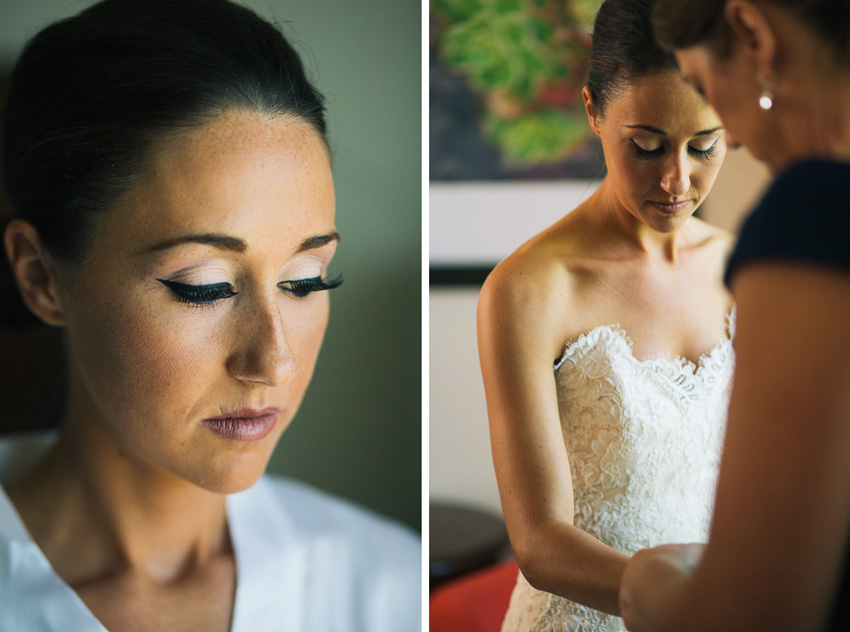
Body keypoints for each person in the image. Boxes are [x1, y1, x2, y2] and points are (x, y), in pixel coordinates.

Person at [0, 1, 420, 630]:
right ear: (41, 278)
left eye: (306, 280)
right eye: (204, 287)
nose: (273, 360)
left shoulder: (386, 588)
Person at [476, 0, 735, 630]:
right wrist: (688, 602)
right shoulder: (529, 288)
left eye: (704, 146)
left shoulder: (739, 265)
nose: (677, 180)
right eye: (647, 145)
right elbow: (539, 542)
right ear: (593, 111)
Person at [616, 1, 850, 631]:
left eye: (700, 83)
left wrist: (647, 582)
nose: (737, 139)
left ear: (754, 34)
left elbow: (749, 618)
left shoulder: (816, 213)